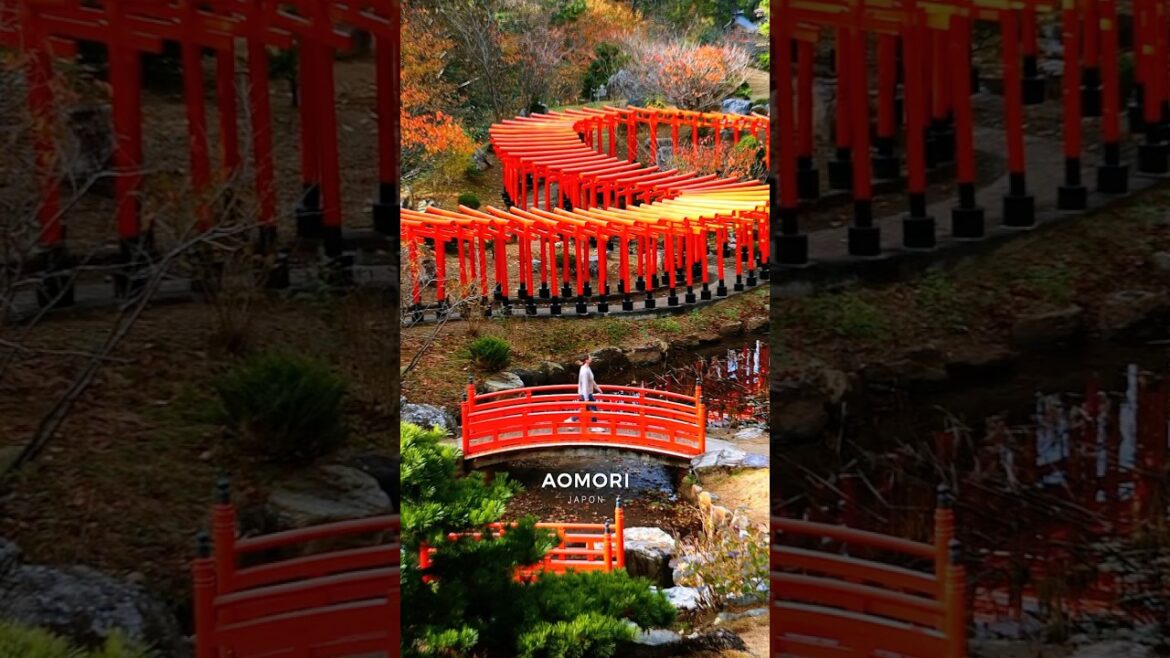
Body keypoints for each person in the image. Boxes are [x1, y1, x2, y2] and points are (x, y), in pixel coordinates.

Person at [572, 355, 605, 432]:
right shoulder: (585, 371)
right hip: (586, 394)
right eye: (590, 358)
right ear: (586, 360)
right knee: (594, 410)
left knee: (585, 409)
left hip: (586, 393)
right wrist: (586, 398)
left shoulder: (586, 367)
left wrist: (597, 388)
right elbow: (585, 385)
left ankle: (571, 420)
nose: (591, 358)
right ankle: (594, 427)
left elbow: (591, 379)